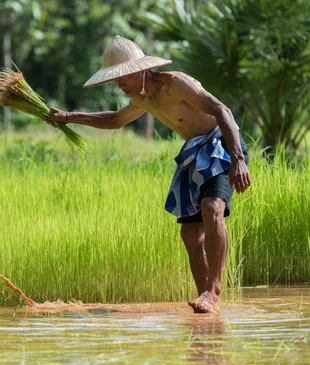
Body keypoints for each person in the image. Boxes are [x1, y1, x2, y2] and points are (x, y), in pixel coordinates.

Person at [45, 36, 251, 313]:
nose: (119, 85)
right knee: (190, 233)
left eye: (123, 78)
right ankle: (206, 302)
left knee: (212, 208)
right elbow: (116, 120)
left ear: (141, 70)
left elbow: (220, 109)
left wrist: (238, 159)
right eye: (115, 80)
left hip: (223, 142)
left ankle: (213, 292)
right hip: (194, 150)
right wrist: (69, 117)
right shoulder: (142, 98)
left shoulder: (176, 83)